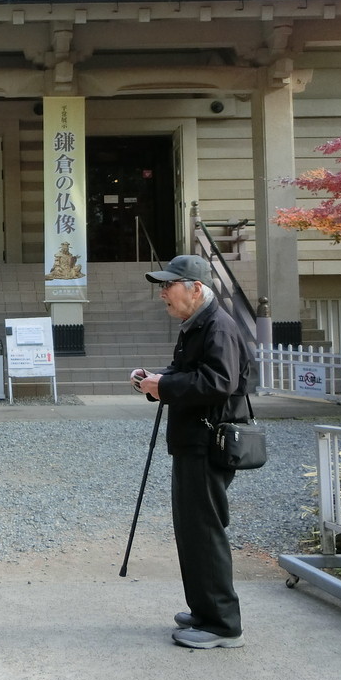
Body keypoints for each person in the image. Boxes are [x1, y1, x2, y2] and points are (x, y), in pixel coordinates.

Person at [131, 254, 250, 650]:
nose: (162, 292)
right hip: (194, 442)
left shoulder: (218, 326)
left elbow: (218, 382)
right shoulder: (199, 323)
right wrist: (156, 381)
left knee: (204, 531)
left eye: (169, 285)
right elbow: (195, 375)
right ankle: (204, 610)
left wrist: (164, 387)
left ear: (195, 288)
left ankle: (222, 624)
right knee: (192, 530)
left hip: (207, 443)